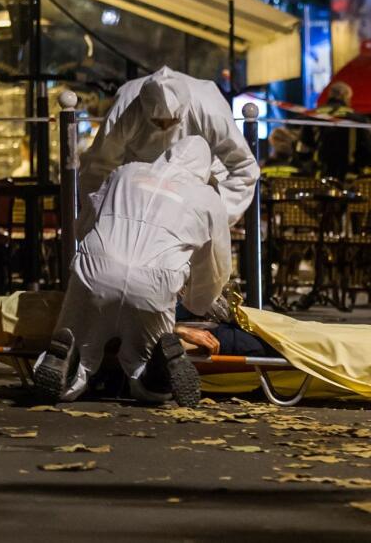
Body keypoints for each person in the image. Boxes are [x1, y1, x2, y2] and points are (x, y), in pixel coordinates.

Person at [34, 136, 232, 407]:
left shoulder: (125, 172)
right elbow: (216, 266)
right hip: (155, 283)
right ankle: (159, 369)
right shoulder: (207, 198)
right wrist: (197, 302)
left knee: (79, 339)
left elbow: (85, 223)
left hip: (95, 271)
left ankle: (67, 360)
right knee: (143, 373)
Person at [79, 67, 259, 225]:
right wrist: (99, 215)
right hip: (139, 194)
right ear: (144, 109)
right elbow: (99, 165)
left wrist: (217, 214)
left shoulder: (209, 107)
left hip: (201, 189)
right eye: (157, 122)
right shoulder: (125, 107)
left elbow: (244, 167)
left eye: (171, 122)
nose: (164, 128)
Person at [296, 82, 371, 181]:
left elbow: (302, 150)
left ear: (330, 95)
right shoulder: (357, 118)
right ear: (346, 97)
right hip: (348, 177)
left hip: (320, 177)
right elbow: (370, 151)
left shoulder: (314, 115)